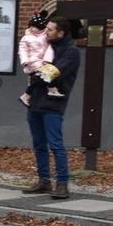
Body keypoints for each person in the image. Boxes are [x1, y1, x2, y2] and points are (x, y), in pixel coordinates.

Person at [23, 16, 81, 199]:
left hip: (53, 104)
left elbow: (53, 74)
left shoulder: (71, 52)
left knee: (55, 144)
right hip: (36, 102)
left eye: (50, 30)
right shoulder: (47, 46)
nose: (45, 32)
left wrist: (35, 77)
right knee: (39, 143)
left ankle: (62, 184)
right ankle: (44, 180)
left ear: (61, 33)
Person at [18, 9, 64, 107]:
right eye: (30, 26)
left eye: (34, 26)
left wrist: (47, 59)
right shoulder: (26, 38)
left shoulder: (45, 37)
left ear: (40, 28)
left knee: (38, 78)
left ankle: (27, 95)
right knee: (46, 74)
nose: (31, 28)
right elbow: (22, 50)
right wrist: (25, 61)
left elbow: (49, 48)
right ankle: (52, 89)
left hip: (42, 62)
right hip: (32, 62)